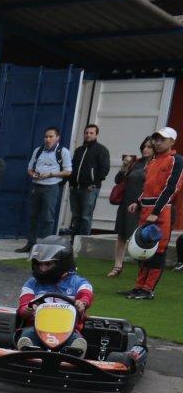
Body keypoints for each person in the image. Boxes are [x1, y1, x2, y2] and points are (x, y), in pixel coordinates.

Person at [122, 127, 182, 300]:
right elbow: (148, 187)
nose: (158, 142)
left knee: (158, 249)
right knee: (143, 248)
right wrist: (138, 202)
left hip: (162, 211)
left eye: (163, 139)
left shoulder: (175, 160)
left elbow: (171, 189)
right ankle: (139, 287)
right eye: (157, 139)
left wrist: (156, 211)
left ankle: (148, 290)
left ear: (172, 141)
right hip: (147, 209)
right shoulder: (153, 160)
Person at [15, 236, 92, 357]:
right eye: (39, 264)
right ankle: (28, 351)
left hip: (68, 330)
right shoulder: (32, 284)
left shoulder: (78, 282)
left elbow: (86, 294)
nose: (42, 268)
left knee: (76, 339)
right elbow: (23, 306)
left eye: (48, 264)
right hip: (37, 329)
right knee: (27, 334)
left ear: (62, 263)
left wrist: (82, 303)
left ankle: (73, 353)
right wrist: (28, 310)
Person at [18, 127, 72, 253]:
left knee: (48, 218)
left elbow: (68, 171)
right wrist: (33, 174)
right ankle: (30, 244)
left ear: (57, 138)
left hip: (51, 186)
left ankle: (45, 247)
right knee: (32, 216)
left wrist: (51, 174)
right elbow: (30, 168)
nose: (48, 139)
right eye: (46, 136)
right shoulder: (38, 150)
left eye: (51, 136)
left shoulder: (63, 151)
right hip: (36, 186)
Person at [108, 136, 154, 278]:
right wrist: (125, 166)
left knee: (141, 237)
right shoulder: (137, 163)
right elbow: (118, 180)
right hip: (126, 202)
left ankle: (144, 269)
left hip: (143, 205)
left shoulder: (156, 164)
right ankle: (117, 265)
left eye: (149, 147)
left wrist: (139, 202)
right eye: (144, 147)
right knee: (122, 235)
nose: (145, 149)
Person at [66, 124, 111, 236]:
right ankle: (73, 241)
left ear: (96, 134)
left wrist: (94, 184)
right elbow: (72, 167)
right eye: (86, 133)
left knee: (86, 217)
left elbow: (104, 169)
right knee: (76, 216)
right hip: (75, 188)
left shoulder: (102, 150)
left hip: (89, 189)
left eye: (91, 133)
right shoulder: (78, 150)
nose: (88, 135)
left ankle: (83, 243)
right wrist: (71, 183)